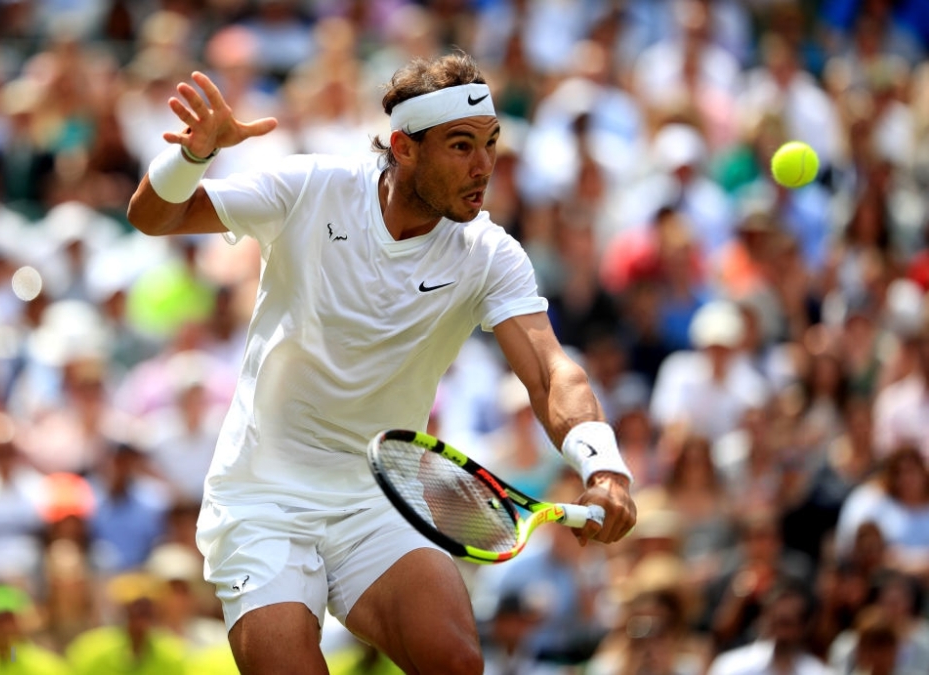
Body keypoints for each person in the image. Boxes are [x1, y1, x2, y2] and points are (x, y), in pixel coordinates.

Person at [126, 52, 637, 674]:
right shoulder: (312, 188)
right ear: (405, 147)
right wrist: (192, 156)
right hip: (262, 499)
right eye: (460, 145)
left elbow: (553, 372)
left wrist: (605, 467)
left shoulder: (489, 254)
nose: (484, 167)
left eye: (491, 144)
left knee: (454, 663)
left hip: (378, 497)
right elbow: (154, 216)